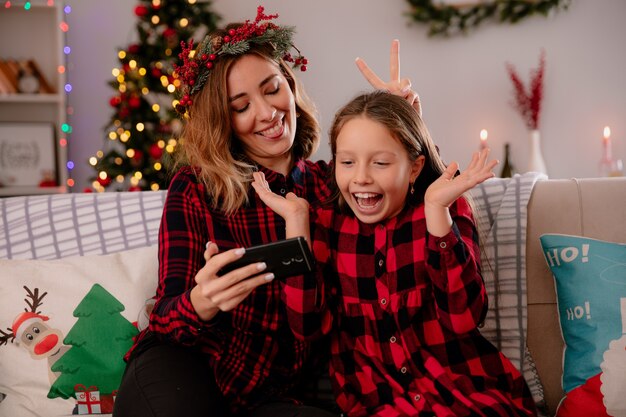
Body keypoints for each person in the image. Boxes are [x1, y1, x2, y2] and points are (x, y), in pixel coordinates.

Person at [113, 6, 421, 417]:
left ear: (290, 86)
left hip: (270, 395)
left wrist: (407, 127)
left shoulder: (335, 184)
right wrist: (203, 300)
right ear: (223, 119)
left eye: (272, 88)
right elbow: (168, 317)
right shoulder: (196, 187)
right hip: (184, 369)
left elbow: (416, 215)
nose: (266, 112)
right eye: (240, 106)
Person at [252, 91, 538, 416]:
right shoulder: (329, 226)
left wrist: (437, 213)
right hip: (380, 403)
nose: (361, 176)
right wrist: (297, 223)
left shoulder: (445, 207)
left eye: (380, 163)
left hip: (462, 395)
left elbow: (463, 318)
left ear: (414, 168)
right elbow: (307, 327)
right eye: (347, 162)